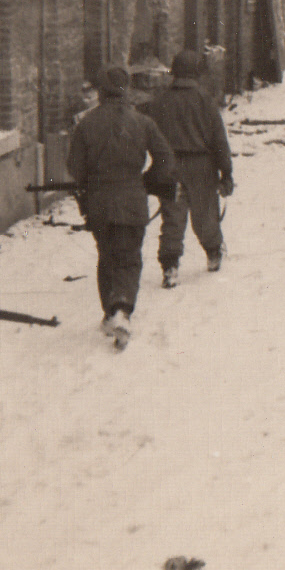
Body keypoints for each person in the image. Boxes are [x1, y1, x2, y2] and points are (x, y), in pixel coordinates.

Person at [67, 65, 179, 347]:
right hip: (131, 198)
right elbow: (165, 159)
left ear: (102, 92)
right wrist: (147, 180)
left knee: (107, 254)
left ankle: (110, 312)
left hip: (99, 202)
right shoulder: (143, 122)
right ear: (125, 89)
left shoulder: (86, 124)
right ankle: (123, 309)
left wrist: (91, 181)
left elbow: (74, 168)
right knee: (129, 256)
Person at [149, 48, 235, 283]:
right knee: (206, 214)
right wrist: (226, 172)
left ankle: (170, 266)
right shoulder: (205, 101)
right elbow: (219, 140)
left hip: (170, 166)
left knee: (172, 217)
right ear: (197, 73)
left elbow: (151, 136)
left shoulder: (160, 101)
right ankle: (214, 253)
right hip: (202, 167)